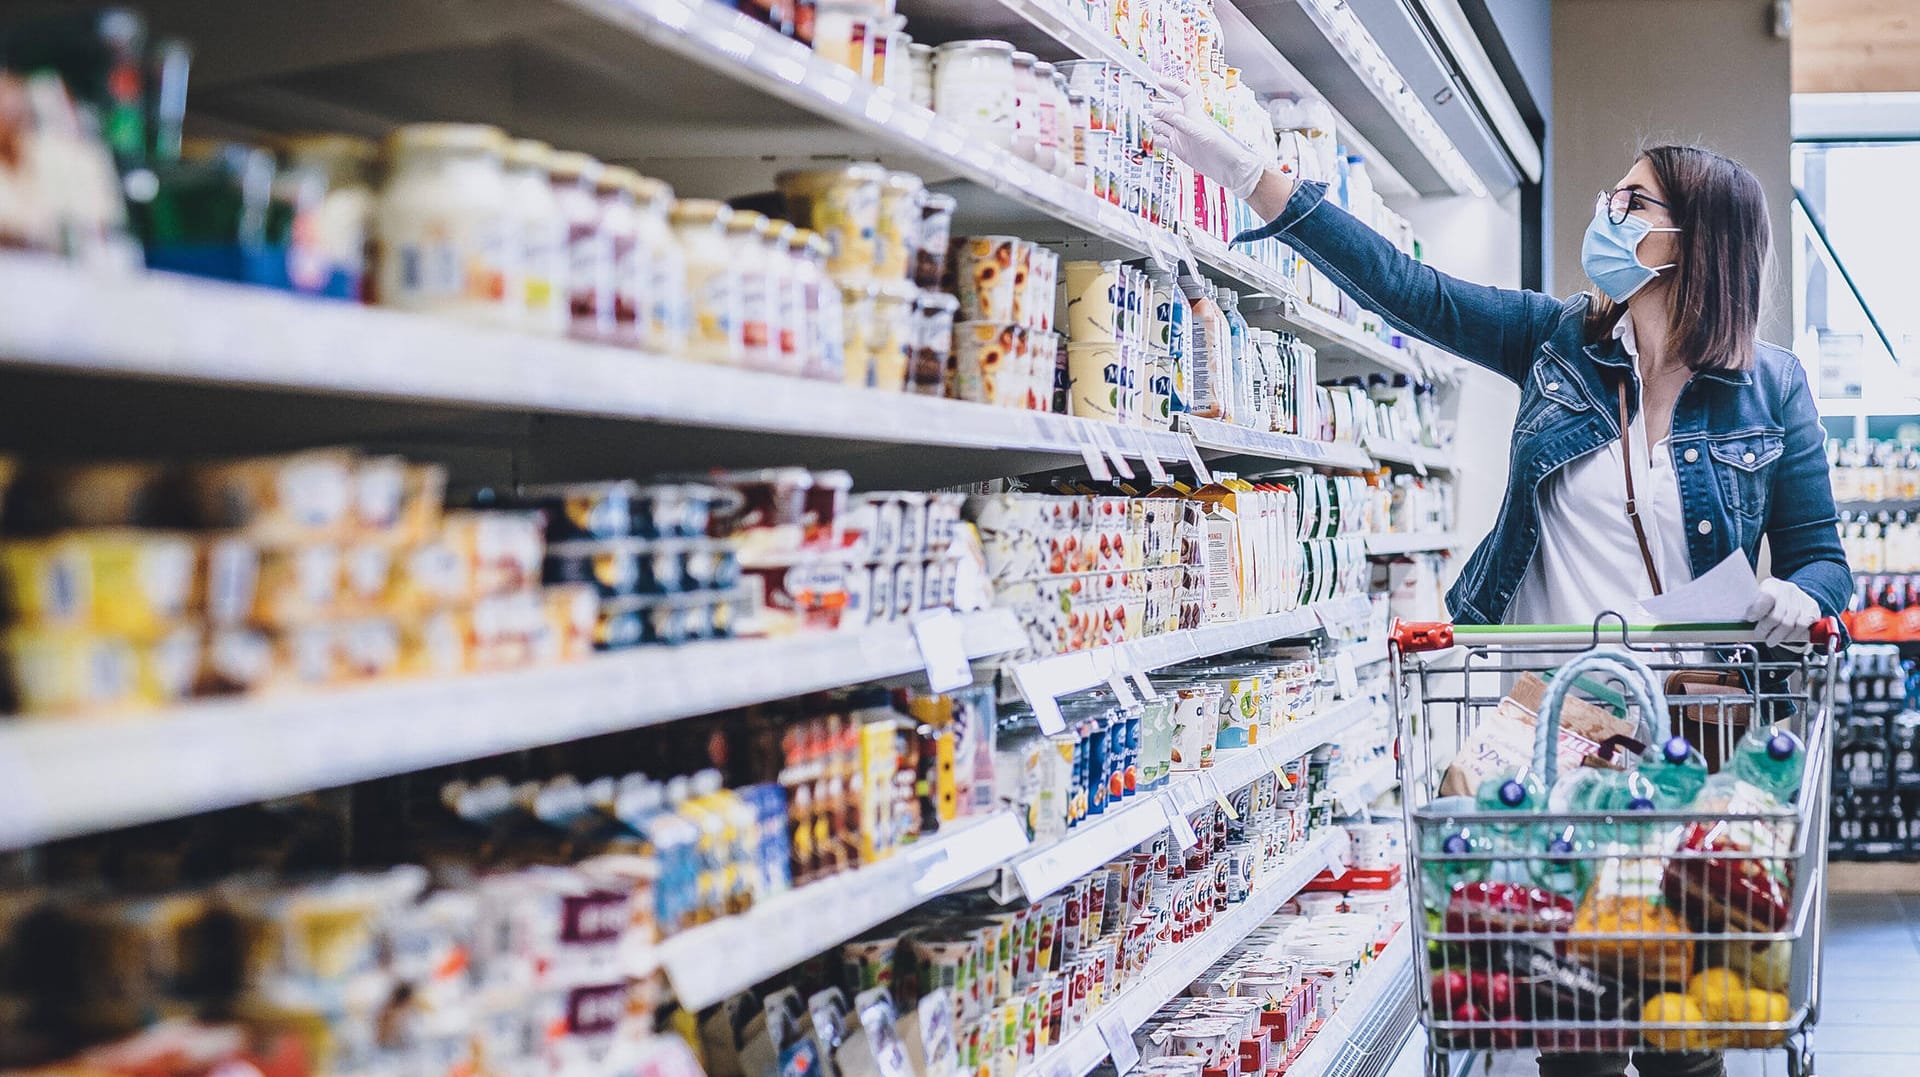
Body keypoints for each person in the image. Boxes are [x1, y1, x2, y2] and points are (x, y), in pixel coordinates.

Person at [1152, 84, 1847, 1077]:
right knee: (1575, 1023)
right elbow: (1407, 286)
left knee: (1682, 1022)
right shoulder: (1553, 340)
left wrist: (1801, 596)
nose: (1605, 218)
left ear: (1695, 242)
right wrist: (1252, 179)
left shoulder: (1773, 388)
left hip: (1695, 741)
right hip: (1553, 727)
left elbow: (1823, 557)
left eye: (1632, 204)